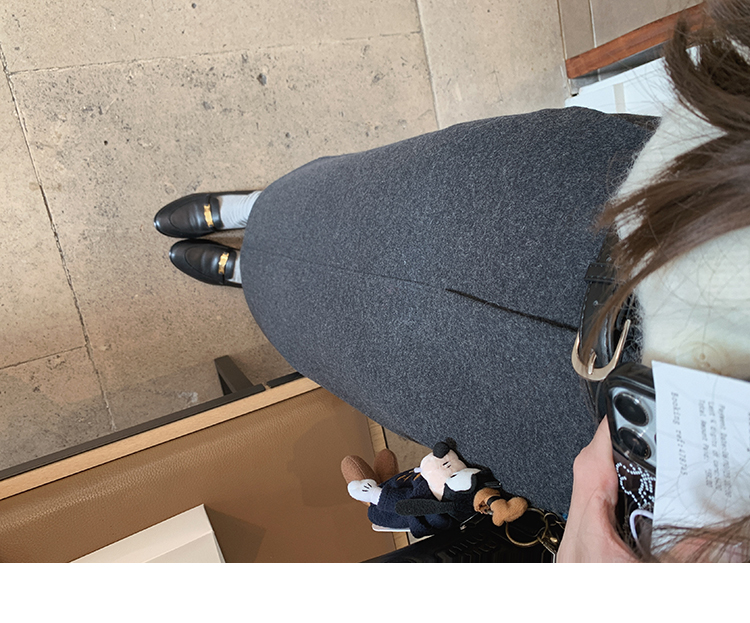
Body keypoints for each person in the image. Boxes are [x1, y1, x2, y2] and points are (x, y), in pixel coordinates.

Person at [153, 0, 750, 561]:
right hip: (653, 214)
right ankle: (264, 210)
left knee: (348, 337)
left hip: (602, 457)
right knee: (382, 198)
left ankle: (255, 274)